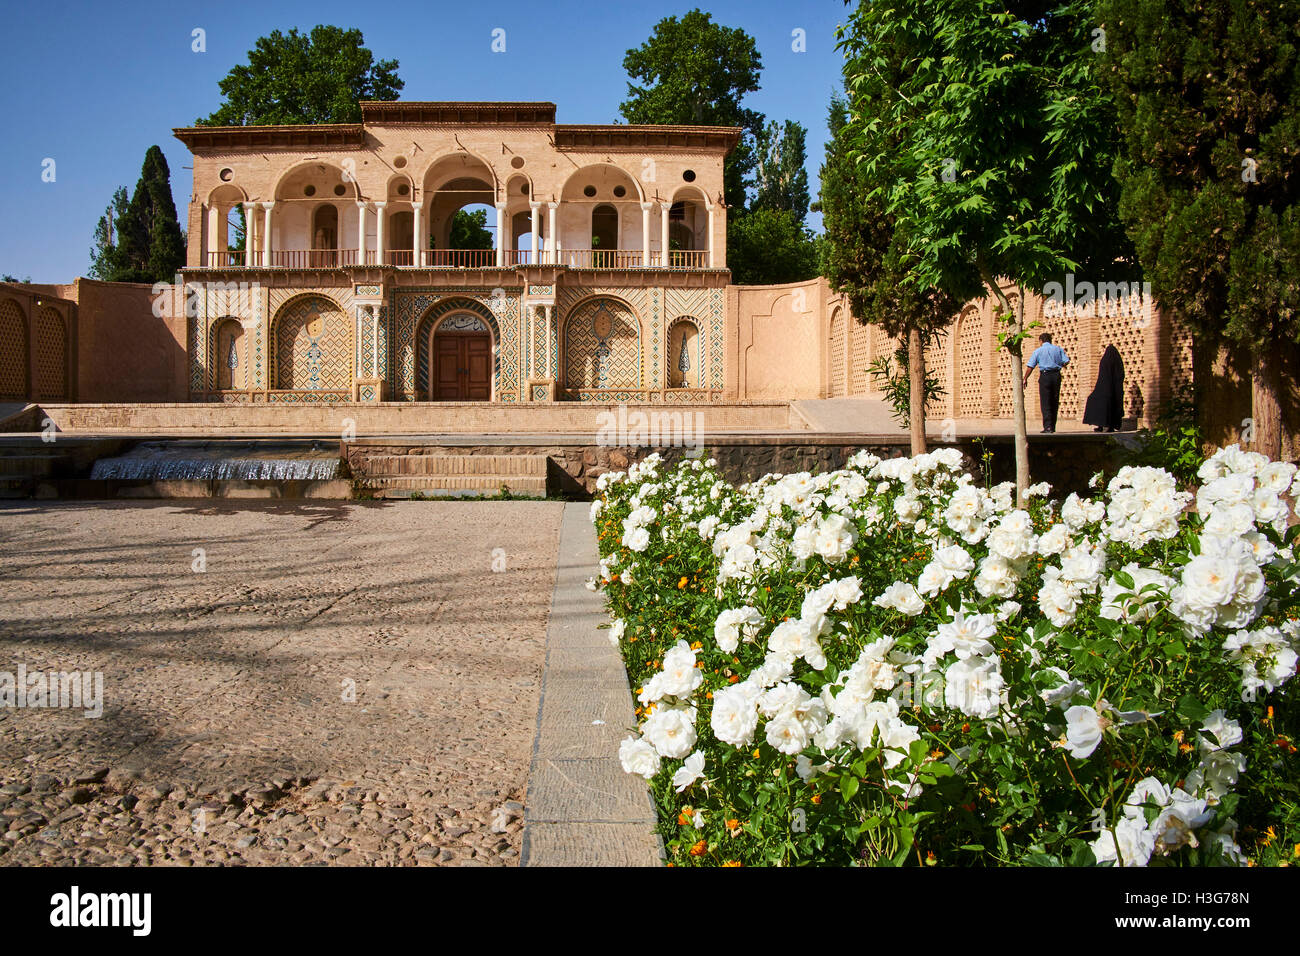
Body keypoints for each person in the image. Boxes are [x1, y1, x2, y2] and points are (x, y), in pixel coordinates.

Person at [1022, 332, 1070, 433]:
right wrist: (1059, 364)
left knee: (1045, 401)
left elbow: (1031, 366)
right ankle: (1053, 426)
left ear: (1041, 341)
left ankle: (1047, 427)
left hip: (1045, 376)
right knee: (1054, 400)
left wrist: (1025, 378)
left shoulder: (1038, 351)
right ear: (1050, 340)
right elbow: (1066, 361)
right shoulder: (1058, 349)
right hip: (1056, 375)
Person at [1082, 345, 1125, 432]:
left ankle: (1102, 425)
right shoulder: (1117, 362)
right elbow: (1119, 375)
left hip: (1104, 388)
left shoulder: (1105, 361)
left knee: (1099, 403)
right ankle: (1109, 426)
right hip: (1113, 389)